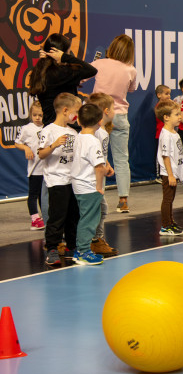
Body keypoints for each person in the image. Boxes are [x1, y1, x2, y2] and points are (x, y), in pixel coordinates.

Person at [88, 34, 137, 213]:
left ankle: (95, 195)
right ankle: (123, 200)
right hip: (120, 115)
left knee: (93, 156)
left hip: (98, 115)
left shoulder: (99, 64)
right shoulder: (131, 70)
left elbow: (81, 78)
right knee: (122, 158)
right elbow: (132, 89)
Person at [37, 93, 81, 267]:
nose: (76, 116)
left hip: (72, 180)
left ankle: (72, 246)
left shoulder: (72, 132)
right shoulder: (48, 131)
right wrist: (54, 145)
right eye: (75, 111)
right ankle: (52, 248)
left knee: (73, 215)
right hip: (56, 180)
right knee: (57, 216)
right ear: (65, 110)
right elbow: (41, 154)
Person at [27, 34, 97, 126]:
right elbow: (92, 70)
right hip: (66, 127)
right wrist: (65, 57)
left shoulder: (39, 71)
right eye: (68, 52)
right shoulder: (61, 73)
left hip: (49, 126)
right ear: (60, 53)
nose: (69, 54)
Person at [69, 103, 108, 266]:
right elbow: (98, 168)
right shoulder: (92, 141)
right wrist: (99, 187)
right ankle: (84, 251)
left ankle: (81, 249)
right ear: (100, 121)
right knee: (90, 219)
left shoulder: (78, 137)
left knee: (84, 217)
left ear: (78, 121)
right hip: (89, 186)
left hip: (78, 183)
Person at [86, 92, 118, 257]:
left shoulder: (104, 130)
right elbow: (93, 154)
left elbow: (101, 153)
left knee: (101, 209)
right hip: (92, 180)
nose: (115, 111)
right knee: (99, 209)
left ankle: (96, 239)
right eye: (113, 108)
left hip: (99, 177)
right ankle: (94, 240)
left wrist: (107, 163)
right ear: (106, 111)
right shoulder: (97, 131)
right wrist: (101, 167)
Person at [156, 100, 183, 235]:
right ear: (166, 117)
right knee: (167, 199)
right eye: (176, 114)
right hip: (168, 172)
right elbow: (165, 156)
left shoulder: (174, 133)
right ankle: (165, 225)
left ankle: (171, 222)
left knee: (171, 199)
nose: (180, 117)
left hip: (174, 172)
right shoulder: (166, 135)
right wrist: (170, 174)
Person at [14, 101, 46, 231]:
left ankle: (45, 215)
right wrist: (26, 148)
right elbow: (17, 143)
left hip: (48, 169)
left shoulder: (48, 127)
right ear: (30, 115)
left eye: (40, 115)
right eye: (35, 115)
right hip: (35, 169)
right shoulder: (27, 128)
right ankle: (34, 218)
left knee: (44, 195)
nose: (37, 118)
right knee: (34, 194)